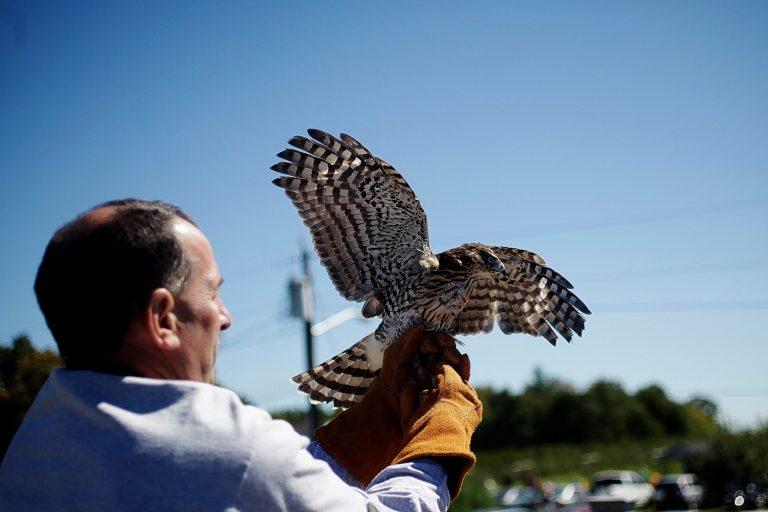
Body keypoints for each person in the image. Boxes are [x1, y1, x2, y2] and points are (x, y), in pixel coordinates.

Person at [0, 199, 482, 511]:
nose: (225, 318)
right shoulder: (224, 441)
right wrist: (439, 439)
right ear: (163, 319)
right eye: (212, 295)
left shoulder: (32, 448)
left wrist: (371, 423)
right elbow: (243, 468)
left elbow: (256, 488)